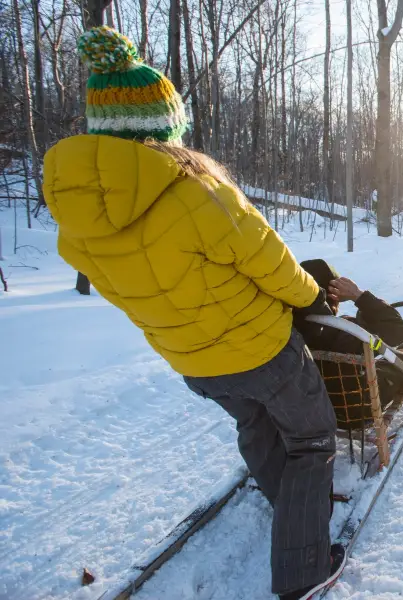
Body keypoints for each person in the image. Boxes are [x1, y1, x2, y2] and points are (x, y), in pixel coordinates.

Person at [43, 26, 339, 600]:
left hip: (195, 365)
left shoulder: (76, 223)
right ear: (164, 125)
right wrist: (310, 297)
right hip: (262, 349)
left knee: (253, 422)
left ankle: (290, 512)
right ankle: (303, 566)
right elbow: (270, 261)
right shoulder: (196, 190)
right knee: (311, 439)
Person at [294, 260, 403, 428]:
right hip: (358, 410)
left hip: (311, 411)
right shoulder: (347, 332)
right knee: (402, 354)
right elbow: (401, 330)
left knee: (374, 358)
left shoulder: (286, 329)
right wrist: (359, 296)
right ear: (333, 294)